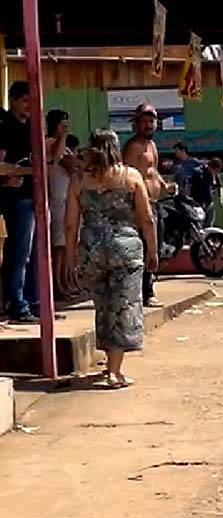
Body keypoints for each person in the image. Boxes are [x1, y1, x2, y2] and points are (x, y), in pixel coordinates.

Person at [64, 129, 158, 388]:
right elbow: (147, 219)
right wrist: (153, 250)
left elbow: (71, 224)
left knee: (103, 305)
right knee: (123, 306)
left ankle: (109, 364)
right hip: (125, 248)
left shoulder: (79, 180)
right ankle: (114, 372)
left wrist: (71, 256)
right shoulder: (130, 176)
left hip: (92, 249)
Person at [123, 103, 173, 308]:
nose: (148, 125)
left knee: (155, 246)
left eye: (151, 121)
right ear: (137, 124)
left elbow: (153, 172)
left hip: (155, 202)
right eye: (144, 121)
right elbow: (127, 174)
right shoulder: (134, 146)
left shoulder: (152, 145)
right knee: (143, 248)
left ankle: (148, 286)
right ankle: (146, 291)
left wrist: (165, 186)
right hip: (140, 205)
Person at [0, 81, 39, 324]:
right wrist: (25, 171)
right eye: (25, 100)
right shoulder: (5, 126)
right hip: (15, 196)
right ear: (13, 100)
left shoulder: (28, 128)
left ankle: (20, 301)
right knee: (19, 254)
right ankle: (18, 304)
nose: (28, 106)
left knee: (22, 253)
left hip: (24, 195)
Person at [46, 109, 76, 299]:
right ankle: (56, 284)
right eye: (61, 123)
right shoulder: (49, 142)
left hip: (67, 198)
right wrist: (62, 136)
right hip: (56, 199)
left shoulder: (64, 147)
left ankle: (66, 280)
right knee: (57, 246)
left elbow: (74, 165)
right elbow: (57, 158)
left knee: (66, 245)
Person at [191, 158, 223, 228]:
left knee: (209, 224)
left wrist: (221, 198)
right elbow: (190, 185)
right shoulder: (199, 172)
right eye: (214, 170)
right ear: (210, 167)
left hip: (209, 203)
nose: (215, 172)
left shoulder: (214, 175)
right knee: (199, 224)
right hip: (198, 202)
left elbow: (219, 186)